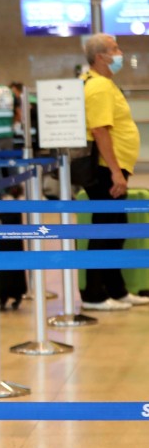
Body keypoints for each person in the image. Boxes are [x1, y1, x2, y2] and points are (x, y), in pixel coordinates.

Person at [78, 33, 149, 311]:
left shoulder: (103, 84)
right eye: (115, 48)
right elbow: (100, 130)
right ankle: (94, 295)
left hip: (112, 167)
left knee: (113, 229)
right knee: (106, 230)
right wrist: (117, 173)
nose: (120, 53)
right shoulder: (98, 87)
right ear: (100, 57)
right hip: (107, 168)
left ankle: (116, 290)